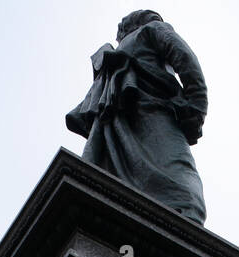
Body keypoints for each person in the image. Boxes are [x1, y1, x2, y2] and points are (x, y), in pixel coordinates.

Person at [66, 10, 208, 223]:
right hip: (155, 114)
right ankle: (185, 235)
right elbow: (186, 59)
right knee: (186, 198)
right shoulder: (152, 29)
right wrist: (197, 106)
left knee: (117, 190)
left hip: (112, 126)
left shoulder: (112, 56)